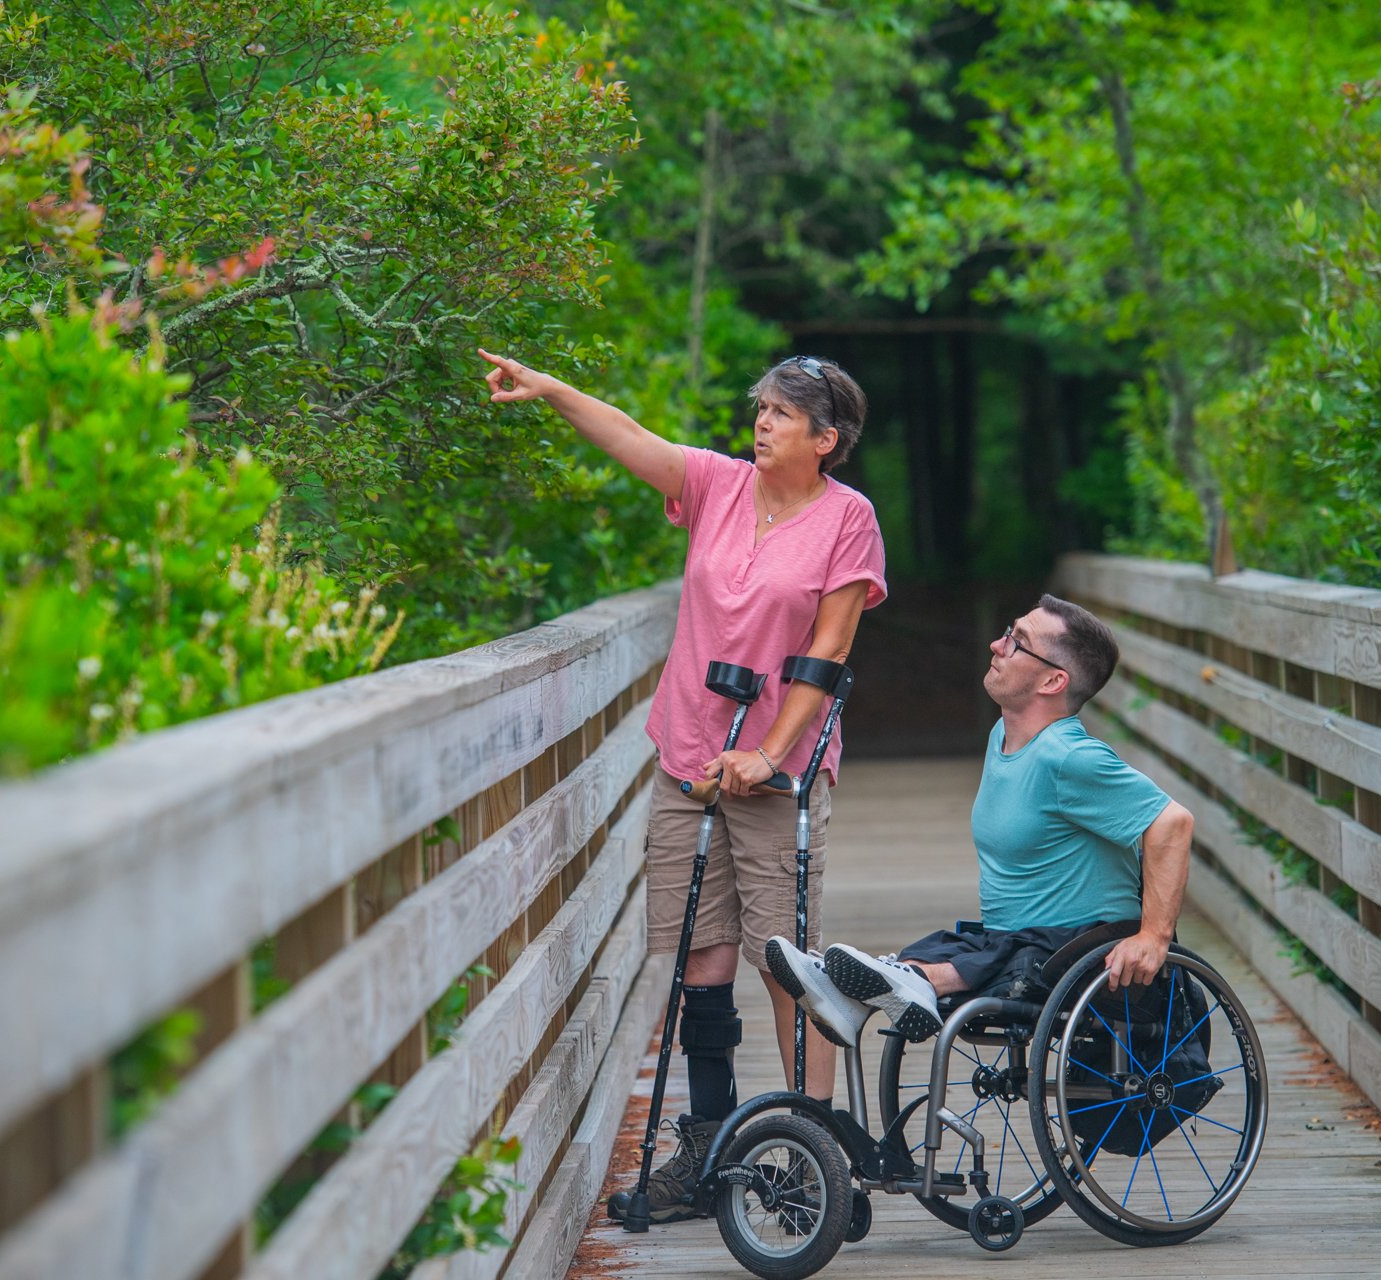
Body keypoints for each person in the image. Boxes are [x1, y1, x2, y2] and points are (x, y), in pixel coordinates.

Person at [480, 348, 887, 1224]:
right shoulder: (717, 486)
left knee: (786, 964)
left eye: (781, 413)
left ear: (827, 438)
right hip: (689, 757)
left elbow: (829, 654)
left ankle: (817, 1153)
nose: (762, 421)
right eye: (761, 407)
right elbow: (629, 436)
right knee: (700, 960)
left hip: (779, 774)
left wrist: (771, 756)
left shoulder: (848, 521)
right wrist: (551, 391)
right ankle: (704, 1152)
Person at [766, 595, 1195, 1047]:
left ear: (1053, 681)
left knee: (997, 956)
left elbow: (1173, 823)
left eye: (1017, 642)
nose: (996, 644)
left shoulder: (1069, 756)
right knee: (957, 946)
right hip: (1015, 936)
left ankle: (909, 981)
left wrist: (1153, 936)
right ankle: (861, 992)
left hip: (1080, 947)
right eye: (1009, 632)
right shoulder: (1004, 736)